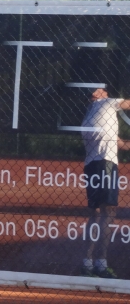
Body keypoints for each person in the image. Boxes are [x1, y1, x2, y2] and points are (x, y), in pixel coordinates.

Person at [79, 86, 130, 279]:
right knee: (108, 212)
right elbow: (128, 104)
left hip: (91, 165)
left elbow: (121, 144)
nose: (107, 93)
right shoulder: (106, 104)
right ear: (97, 94)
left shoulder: (92, 115)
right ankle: (101, 263)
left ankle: (87, 263)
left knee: (95, 213)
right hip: (106, 164)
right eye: (103, 90)